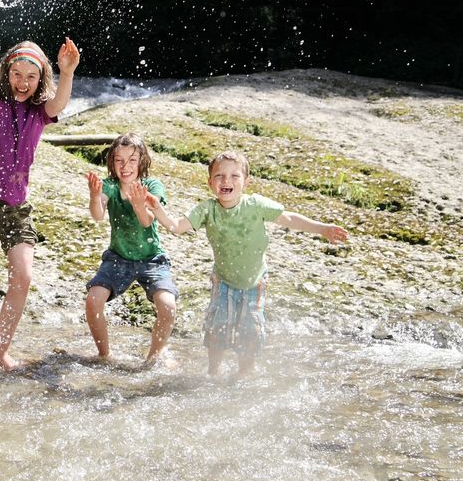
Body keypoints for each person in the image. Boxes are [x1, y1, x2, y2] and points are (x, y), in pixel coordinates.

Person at [0, 0, 80, 371]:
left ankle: (0, 350)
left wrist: (68, 72)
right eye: (17, 74)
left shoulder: (42, 112)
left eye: (32, 76)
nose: (23, 82)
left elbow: (59, 104)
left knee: (23, 275)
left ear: (41, 79)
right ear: (6, 72)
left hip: (15, 203)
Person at [153, 150, 348, 377]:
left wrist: (322, 228)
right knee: (217, 325)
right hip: (223, 279)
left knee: (250, 329)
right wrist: (156, 208)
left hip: (255, 281)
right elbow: (176, 226)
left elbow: (289, 218)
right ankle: (213, 371)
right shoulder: (207, 209)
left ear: (246, 181)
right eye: (219, 176)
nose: (226, 181)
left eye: (235, 176)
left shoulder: (255, 205)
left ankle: (243, 373)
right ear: (209, 182)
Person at [84, 133, 178, 366]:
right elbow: (97, 216)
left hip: (152, 259)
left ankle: (153, 357)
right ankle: (104, 354)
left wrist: (138, 204)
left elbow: (147, 222)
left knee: (167, 306)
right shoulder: (110, 186)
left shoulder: (152, 185)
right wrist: (95, 196)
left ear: (142, 162)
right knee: (93, 300)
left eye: (132, 160)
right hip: (118, 257)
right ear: (112, 163)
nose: (125, 166)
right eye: (119, 160)